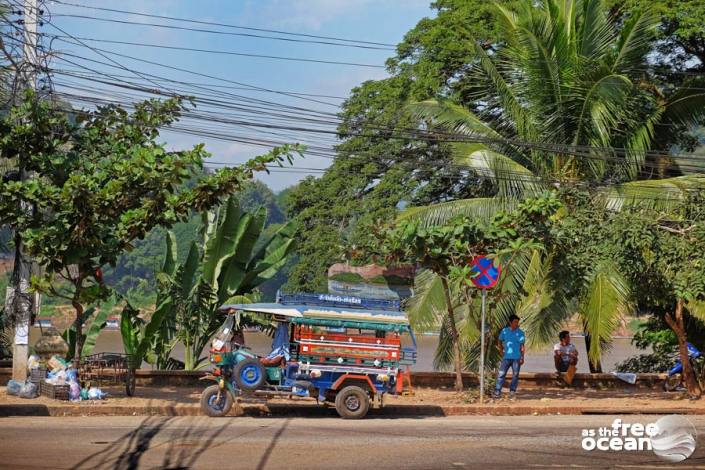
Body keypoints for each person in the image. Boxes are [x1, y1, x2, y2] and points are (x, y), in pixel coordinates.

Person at [493, 314, 525, 400]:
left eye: (517, 322)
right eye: (515, 322)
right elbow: (499, 341)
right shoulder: (504, 331)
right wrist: (501, 351)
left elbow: (522, 346)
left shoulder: (521, 333)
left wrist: (522, 357)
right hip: (506, 357)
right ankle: (497, 392)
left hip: (516, 358)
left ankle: (512, 392)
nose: (516, 323)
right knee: (501, 374)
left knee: (515, 375)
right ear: (510, 322)